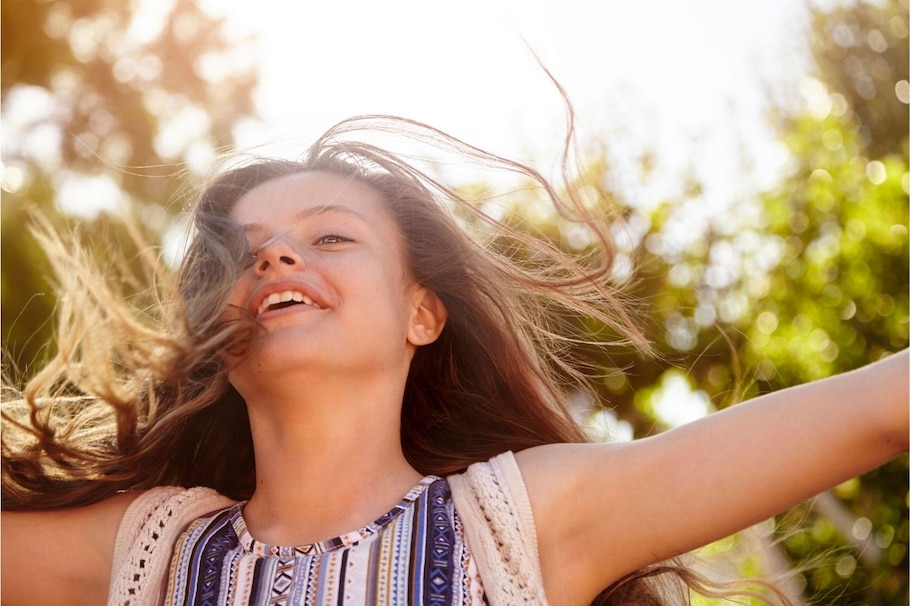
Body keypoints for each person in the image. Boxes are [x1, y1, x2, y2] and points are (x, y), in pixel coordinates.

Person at [1, 113, 907, 606]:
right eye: (245, 252)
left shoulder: (518, 523)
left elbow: (878, 404)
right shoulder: (154, 552)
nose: (276, 258)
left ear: (422, 314)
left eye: (330, 237)